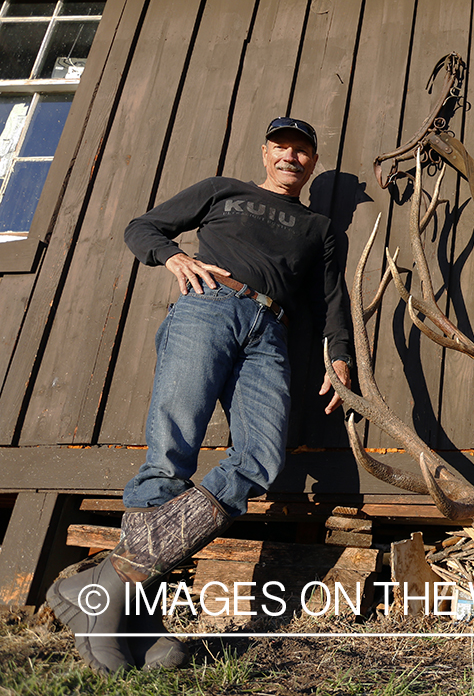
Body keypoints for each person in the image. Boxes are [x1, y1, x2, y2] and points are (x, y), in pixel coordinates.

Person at [47, 116, 354, 673]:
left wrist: (340, 358)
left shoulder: (320, 228)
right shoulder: (224, 192)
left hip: (272, 331)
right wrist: (175, 258)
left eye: (303, 150)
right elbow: (143, 227)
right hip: (209, 305)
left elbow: (331, 299)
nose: (292, 156)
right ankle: (129, 617)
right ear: (265, 152)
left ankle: (103, 588)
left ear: (312, 161)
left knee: (259, 459)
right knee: (171, 453)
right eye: (282, 145)